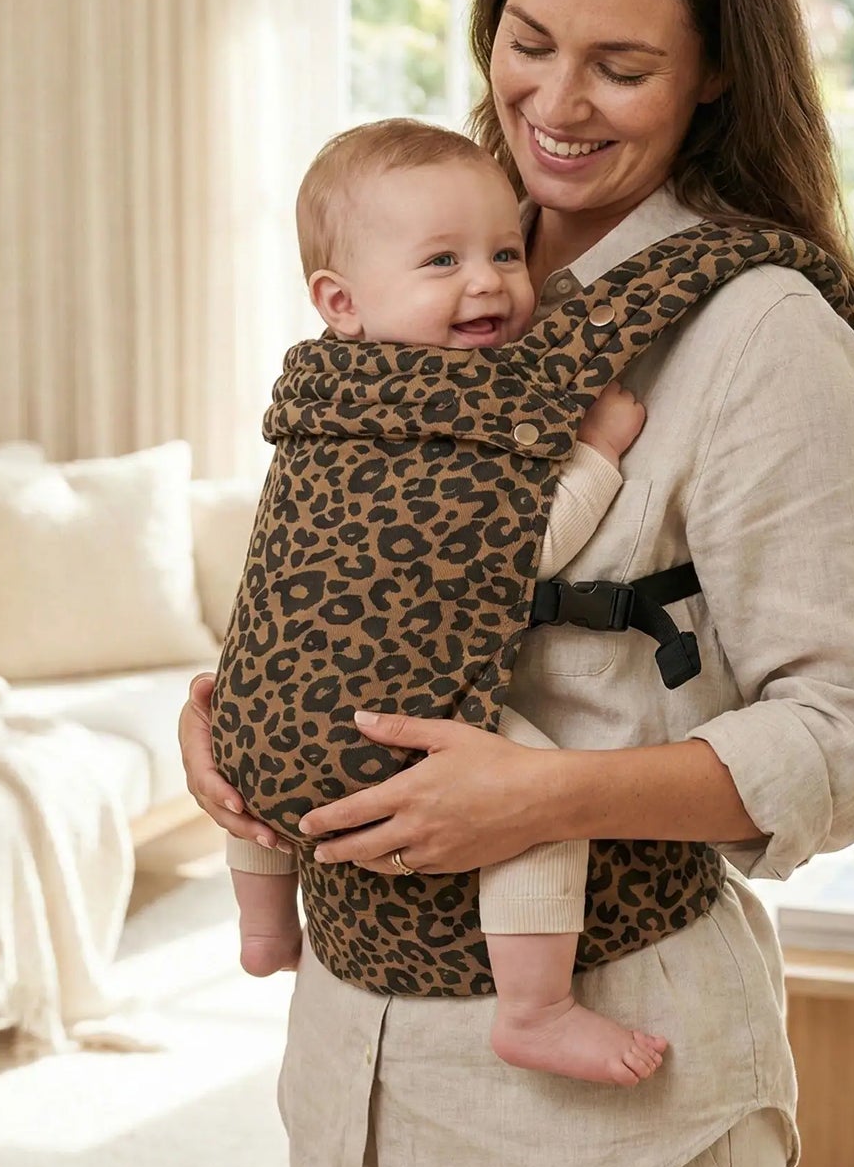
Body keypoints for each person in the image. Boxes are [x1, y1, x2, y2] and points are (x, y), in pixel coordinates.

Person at [180, 0, 854, 1167]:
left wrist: (542, 796)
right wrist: (238, 710)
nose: (556, 103)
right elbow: (339, 542)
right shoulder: (421, 254)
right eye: (528, 42)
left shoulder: (761, 334)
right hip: (350, 1052)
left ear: (712, 75)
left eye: (621, 65)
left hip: (614, 1101)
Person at [227, 116, 670, 1086]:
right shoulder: (458, 412)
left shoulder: (311, 399)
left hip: (263, 716)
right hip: (395, 723)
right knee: (539, 794)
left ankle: (264, 924)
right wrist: (594, 450)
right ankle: (536, 1005)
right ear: (339, 300)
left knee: (249, 751)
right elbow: (514, 545)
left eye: (505, 252)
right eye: (441, 260)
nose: (488, 281)